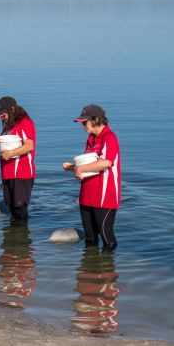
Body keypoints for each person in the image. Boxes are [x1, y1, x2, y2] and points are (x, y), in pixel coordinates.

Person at [63, 105, 122, 251]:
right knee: (90, 237)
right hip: (87, 195)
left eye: (84, 122)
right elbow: (89, 165)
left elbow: (106, 162)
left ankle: (108, 268)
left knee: (106, 236)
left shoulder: (109, 137)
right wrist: (73, 168)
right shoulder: (91, 139)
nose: (82, 126)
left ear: (95, 120)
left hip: (105, 196)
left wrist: (81, 169)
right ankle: (89, 270)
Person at [0, 96, 36, 222]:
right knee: (10, 206)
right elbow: (2, 143)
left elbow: (29, 146)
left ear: (12, 109)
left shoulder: (25, 122)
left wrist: (10, 154)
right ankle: (13, 237)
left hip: (22, 173)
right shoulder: (8, 123)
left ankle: (22, 237)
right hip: (8, 173)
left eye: (3, 114)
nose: (1, 117)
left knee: (19, 208)